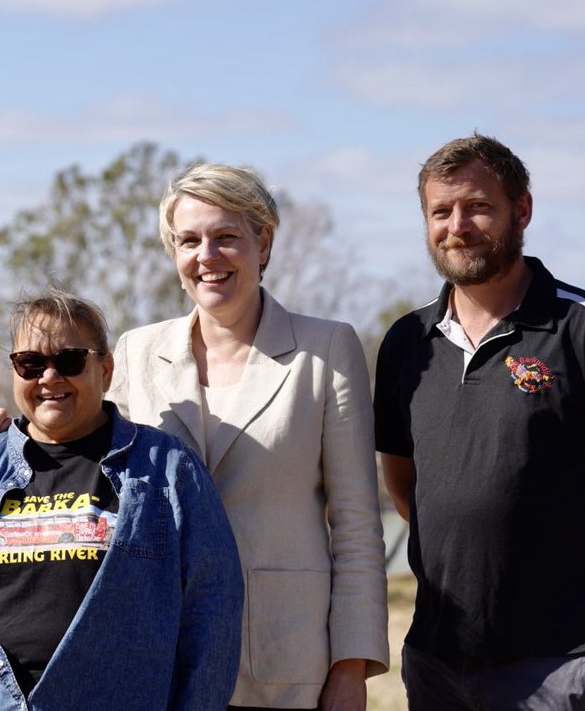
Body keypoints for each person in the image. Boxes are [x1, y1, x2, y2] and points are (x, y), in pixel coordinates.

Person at [109, 164, 389, 711]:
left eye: (226, 237)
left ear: (263, 242)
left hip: (286, 667)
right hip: (160, 665)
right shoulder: (135, 351)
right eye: (188, 240)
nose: (206, 256)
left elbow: (356, 522)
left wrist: (351, 669)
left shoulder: (328, 348)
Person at [0, 289, 243, 711]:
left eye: (69, 360)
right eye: (30, 363)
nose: (49, 377)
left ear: (106, 368)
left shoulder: (168, 470)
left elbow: (212, 615)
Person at [375, 133, 585, 710]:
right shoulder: (407, 343)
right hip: (438, 657)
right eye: (441, 211)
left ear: (522, 210)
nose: (458, 225)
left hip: (561, 657)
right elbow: (407, 488)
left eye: (479, 206)